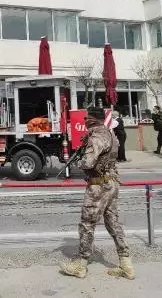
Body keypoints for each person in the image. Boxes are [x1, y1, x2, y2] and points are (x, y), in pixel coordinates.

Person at [60, 107, 134, 280]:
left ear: (92, 119)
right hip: (111, 183)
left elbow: (88, 162)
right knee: (113, 223)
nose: (84, 121)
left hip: (98, 186)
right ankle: (126, 264)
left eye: (86, 118)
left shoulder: (96, 137)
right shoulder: (110, 134)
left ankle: (81, 265)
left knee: (87, 224)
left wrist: (80, 160)